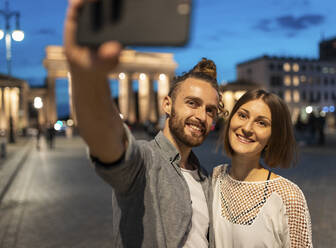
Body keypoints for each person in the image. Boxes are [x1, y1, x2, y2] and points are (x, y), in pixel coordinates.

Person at [64, 1, 225, 247]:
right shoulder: (143, 162)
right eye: (192, 103)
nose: (202, 116)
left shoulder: (206, 179)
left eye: (210, 110)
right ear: (167, 105)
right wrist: (86, 75)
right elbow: (107, 140)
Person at [212, 89, 312, 247]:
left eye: (261, 123)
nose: (247, 128)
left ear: (273, 137)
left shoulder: (288, 197)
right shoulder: (214, 178)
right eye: (243, 115)